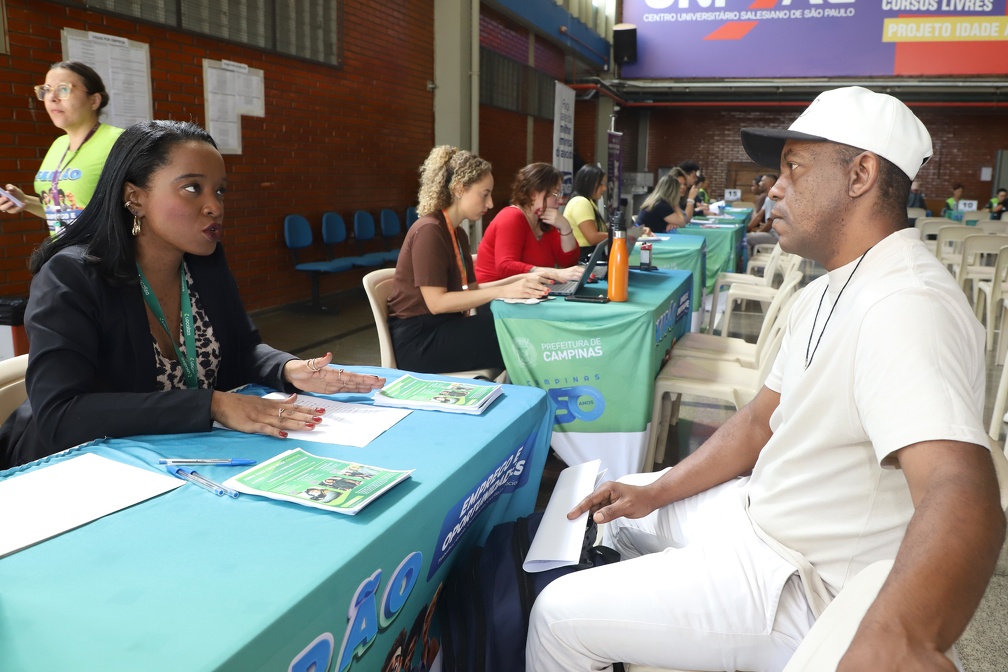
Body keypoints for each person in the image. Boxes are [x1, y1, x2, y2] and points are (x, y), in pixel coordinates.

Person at [527, 86, 1004, 672]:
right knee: (624, 509)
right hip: (760, 513)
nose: (774, 187)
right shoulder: (830, 284)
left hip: (804, 583)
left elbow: (961, 487)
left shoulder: (905, 303)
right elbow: (758, 423)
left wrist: (902, 635)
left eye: (794, 168)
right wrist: (657, 490)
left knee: (556, 617)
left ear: (860, 175)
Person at [0, 120, 384, 469]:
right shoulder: (72, 276)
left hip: (173, 458)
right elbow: (61, 414)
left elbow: (242, 349)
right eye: (192, 188)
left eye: (219, 191)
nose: (214, 207)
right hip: (73, 469)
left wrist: (287, 369)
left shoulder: (204, 263)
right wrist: (212, 404)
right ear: (134, 198)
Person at [387, 147, 559, 374]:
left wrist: (523, 280)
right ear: (459, 188)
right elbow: (437, 303)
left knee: (515, 324)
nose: (489, 204)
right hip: (419, 342)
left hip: (443, 328)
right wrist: (505, 291)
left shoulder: (457, 233)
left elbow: (473, 289)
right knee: (516, 330)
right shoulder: (430, 230)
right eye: (484, 194)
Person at [0, 61, 123, 236]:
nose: (52, 97)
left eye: (63, 89)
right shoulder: (58, 145)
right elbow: (64, 212)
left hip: (104, 258)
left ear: (94, 100)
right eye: (47, 90)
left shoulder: (119, 141)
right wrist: (25, 201)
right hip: (64, 258)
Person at [475, 163, 581, 283]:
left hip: (524, 294)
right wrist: (553, 272)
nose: (560, 201)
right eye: (555, 194)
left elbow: (568, 263)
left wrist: (565, 227)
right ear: (533, 193)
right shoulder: (511, 217)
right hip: (494, 297)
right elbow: (505, 266)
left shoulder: (544, 222)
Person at [563, 164, 609, 260]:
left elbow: (597, 228)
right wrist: (620, 235)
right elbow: (593, 237)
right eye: (601, 184)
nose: (604, 188)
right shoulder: (581, 202)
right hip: (583, 258)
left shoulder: (587, 201)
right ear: (589, 183)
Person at [746, 173, 780, 256]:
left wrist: (758, 232)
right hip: (772, 234)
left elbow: (770, 223)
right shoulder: (769, 198)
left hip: (776, 237)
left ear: (768, 183)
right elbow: (758, 216)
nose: (759, 183)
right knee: (750, 235)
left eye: (762, 181)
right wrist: (747, 228)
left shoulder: (771, 199)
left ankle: (753, 266)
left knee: (746, 239)